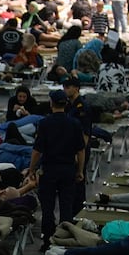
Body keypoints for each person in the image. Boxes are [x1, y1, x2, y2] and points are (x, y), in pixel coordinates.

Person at [31, 90, 86, 247]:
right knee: (66, 206)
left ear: (51, 103)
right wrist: (80, 170)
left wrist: (31, 170)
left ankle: (47, 239)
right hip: (68, 169)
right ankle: (64, 239)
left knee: (47, 207)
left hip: (49, 170)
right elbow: (80, 150)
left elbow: (37, 150)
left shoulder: (45, 123)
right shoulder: (74, 123)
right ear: (66, 104)